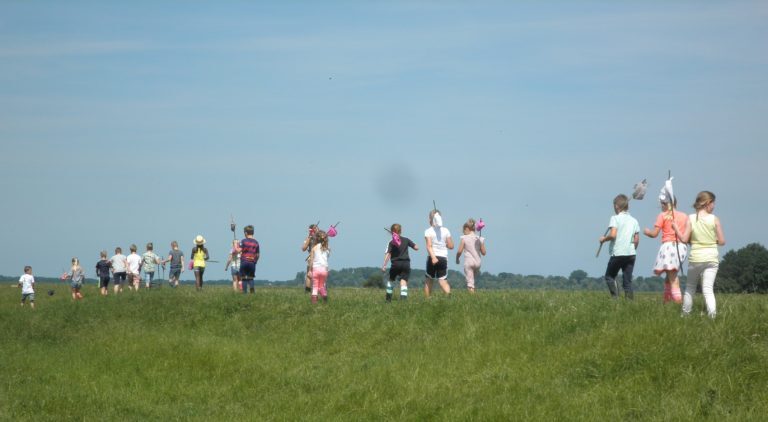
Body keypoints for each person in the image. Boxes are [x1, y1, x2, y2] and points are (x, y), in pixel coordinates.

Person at [672, 191, 726, 318]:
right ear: (707, 203)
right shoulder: (715, 219)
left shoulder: (691, 218)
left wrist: (676, 229)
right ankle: (712, 316)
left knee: (690, 288)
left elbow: (684, 239)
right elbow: (722, 241)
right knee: (708, 289)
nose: (714, 206)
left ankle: (685, 315)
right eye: (713, 203)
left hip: (696, 258)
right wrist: (711, 241)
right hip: (712, 257)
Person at [643, 198, 689, 304]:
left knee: (672, 276)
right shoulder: (684, 216)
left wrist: (647, 232)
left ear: (666, 204)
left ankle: (678, 302)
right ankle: (666, 300)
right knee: (669, 275)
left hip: (669, 247)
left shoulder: (662, 215)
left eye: (662, 204)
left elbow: (654, 234)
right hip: (681, 247)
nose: (661, 206)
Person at [598, 194, 640, 300]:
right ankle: (629, 304)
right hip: (631, 254)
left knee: (609, 276)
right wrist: (632, 249)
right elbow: (636, 240)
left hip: (618, 253)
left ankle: (615, 300)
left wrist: (604, 239)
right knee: (627, 281)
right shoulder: (634, 220)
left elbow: (613, 235)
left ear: (617, 206)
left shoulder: (615, 218)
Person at [381, 223, 419, 302]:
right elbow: (416, 247)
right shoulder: (406, 239)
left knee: (391, 280)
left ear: (392, 232)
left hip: (395, 264)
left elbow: (388, 254)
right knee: (403, 281)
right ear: (401, 231)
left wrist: (384, 265)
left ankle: (388, 300)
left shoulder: (391, 242)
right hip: (406, 264)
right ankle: (403, 301)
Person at [424, 209, 454, 297]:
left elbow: (429, 246)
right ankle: (449, 296)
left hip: (432, 257)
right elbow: (451, 246)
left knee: (429, 280)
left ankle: (427, 300)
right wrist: (444, 243)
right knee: (442, 281)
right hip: (443, 258)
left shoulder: (428, 231)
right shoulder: (446, 230)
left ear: (430, 219)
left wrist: (433, 257)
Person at [456, 218, 487, 293]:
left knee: (470, 282)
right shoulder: (480, 239)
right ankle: (473, 292)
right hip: (478, 263)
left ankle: (472, 297)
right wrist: (479, 244)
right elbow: (484, 253)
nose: (463, 233)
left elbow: (459, 251)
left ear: (467, 229)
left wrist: (457, 258)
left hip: (469, 262)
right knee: (472, 279)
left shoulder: (464, 238)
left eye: (463, 231)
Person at [309, 230, 330, 304]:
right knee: (321, 286)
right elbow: (326, 259)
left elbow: (311, 261)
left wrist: (309, 271)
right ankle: (324, 297)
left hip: (315, 269)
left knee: (315, 286)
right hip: (324, 270)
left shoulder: (314, 248)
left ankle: (314, 302)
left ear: (316, 239)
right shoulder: (327, 249)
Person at [239, 226, 260, 294]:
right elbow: (258, 254)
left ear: (245, 233)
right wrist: (255, 261)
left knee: (244, 278)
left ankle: (245, 293)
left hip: (244, 261)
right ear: (253, 232)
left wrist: (236, 246)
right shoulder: (256, 242)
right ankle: (252, 289)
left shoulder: (243, 241)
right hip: (252, 262)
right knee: (251, 277)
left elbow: (239, 250)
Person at [301, 224, 319, 293]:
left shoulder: (320, 237)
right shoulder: (309, 238)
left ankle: (315, 290)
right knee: (309, 275)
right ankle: (308, 291)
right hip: (311, 257)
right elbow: (303, 248)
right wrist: (310, 237)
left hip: (317, 257)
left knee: (311, 274)